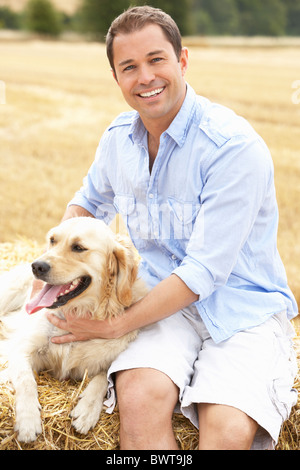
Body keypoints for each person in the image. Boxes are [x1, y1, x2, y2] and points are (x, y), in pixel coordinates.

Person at [41, 6, 298, 450]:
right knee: (138, 404)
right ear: (117, 78)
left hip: (241, 311)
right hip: (159, 304)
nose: (145, 77)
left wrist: (111, 327)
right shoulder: (117, 140)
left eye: (156, 60)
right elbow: (87, 203)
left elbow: (202, 274)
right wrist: (62, 274)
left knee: (227, 432)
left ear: (182, 60)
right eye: (129, 67)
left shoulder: (232, 147)